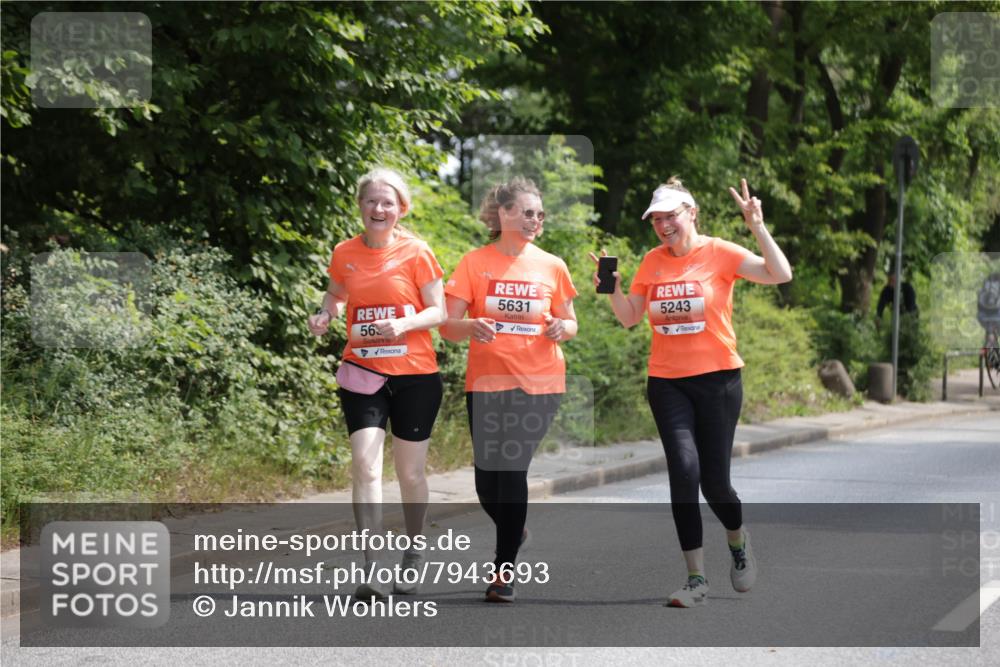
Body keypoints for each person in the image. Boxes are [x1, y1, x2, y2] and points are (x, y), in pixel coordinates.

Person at [590, 177, 792, 607]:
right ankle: (696, 579)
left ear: (692, 213)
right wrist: (612, 288)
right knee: (684, 471)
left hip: (719, 381)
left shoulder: (720, 252)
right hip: (667, 382)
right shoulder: (652, 262)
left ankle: (737, 539)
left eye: (671, 216)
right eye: (656, 219)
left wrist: (756, 226)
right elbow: (629, 317)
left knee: (716, 485)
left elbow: (780, 274)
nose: (664, 225)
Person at [308, 167, 446, 599]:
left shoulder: (417, 252)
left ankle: (414, 551)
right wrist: (325, 314)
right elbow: (336, 294)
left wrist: (403, 324)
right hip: (362, 373)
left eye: (388, 202)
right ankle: (373, 567)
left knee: (410, 474)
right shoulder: (344, 252)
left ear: (401, 209)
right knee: (365, 465)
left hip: (415, 377)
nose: (379, 208)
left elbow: (439, 311)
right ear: (360, 205)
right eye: (371, 201)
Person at [441, 176, 578, 603]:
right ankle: (513, 531)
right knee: (487, 483)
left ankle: (503, 571)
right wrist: (470, 325)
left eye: (540, 214)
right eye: (526, 212)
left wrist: (561, 328)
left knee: (512, 471)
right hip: (486, 384)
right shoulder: (474, 263)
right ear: (502, 213)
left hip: (539, 383)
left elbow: (571, 322)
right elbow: (447, 327)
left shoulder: (552, 265)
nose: (535, 220)